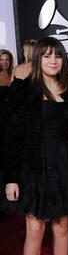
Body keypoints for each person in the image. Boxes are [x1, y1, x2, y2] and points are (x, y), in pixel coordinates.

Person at [2, 37, 68, 255]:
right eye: (46, 55)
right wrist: (11, 178)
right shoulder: (24, 88)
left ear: (63, 60)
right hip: (33, 167)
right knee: (34, 230)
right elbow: (12, 136)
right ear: (38, 59)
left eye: (57, 56)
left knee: (61, 227)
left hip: (63, 169)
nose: (52, 60)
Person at [0, 49, 14, 220]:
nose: (4, 62)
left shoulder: (14, 76)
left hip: (13, 122)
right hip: (1, 123)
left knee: (10, 157)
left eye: (6, 59)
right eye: (1, 60)